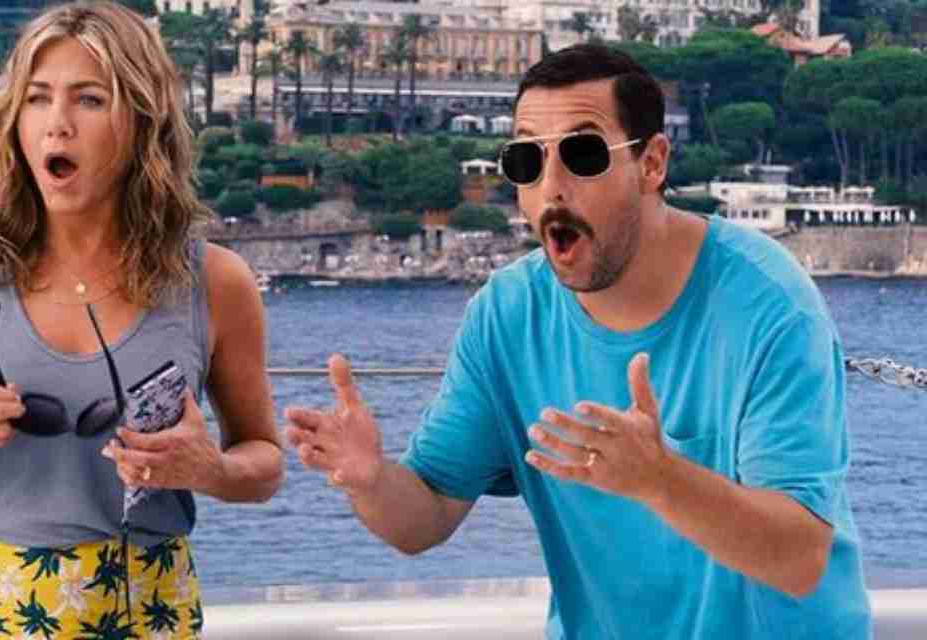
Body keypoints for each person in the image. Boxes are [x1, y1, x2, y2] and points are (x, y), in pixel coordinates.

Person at [285, 44, 870, 639]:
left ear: (652, 164)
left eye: (583, 154)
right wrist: (369, 479)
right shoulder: (507, 315)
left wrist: (661, 480)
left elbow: (799, 559)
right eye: (526, 160)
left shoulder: (769, 304)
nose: (552, 188)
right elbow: (426, 514)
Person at [0, 3, 283, 638]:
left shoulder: (217, 281)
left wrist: (211, 470)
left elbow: (264, 462)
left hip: (149, 610)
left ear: (143, 121)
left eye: (90, 100)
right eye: (37, 99)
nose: (56, 124)